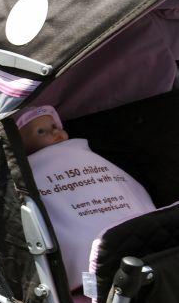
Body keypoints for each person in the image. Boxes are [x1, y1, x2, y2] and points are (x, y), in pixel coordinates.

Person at [17, 106, 156, 290]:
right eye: (41, 131)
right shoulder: (31, 168)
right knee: (80, 240)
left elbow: (105, 176)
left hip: (102, 194)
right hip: (76, 210)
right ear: (22, 143)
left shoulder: (81, 152)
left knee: (130, 207)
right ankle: (88, 282)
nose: (55, 132)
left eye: (55, 126)